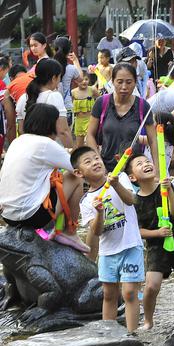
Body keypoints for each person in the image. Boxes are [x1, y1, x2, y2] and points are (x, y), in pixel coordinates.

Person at [72, 146, 143, 332]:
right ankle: (108, 334)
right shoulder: (86, 201)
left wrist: (116, 184)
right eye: (88, 161)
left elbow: (131, 200)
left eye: (96, 158)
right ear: (79, 173)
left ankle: (132, 334)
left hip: (130, 246)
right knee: (109, 294)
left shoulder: (121, 177)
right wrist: (99, 212)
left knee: (129, 293)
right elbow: (97, 231)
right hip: (107, 253)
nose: (95, 162)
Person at [0, 103, 88, 252]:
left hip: (8, 215)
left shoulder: (18, 141)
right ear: (51, 124)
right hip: (31, 216)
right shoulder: (45, 144)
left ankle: (58, 229)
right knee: (76, 179)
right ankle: (68, 231)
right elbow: (77, 169)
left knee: (56, 179)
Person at [126, 153, 174, 329]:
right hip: (155, 245)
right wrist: (157, 233)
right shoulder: (135, 201)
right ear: (132, 177)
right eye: (139, 164)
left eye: (148, 161)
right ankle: (148, 320)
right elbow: (137, 231)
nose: (146, 164)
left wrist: (169, 189)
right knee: (151, 286)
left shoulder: (165, 187)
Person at [86, 62, 157, 172]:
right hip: (106, 169)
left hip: (135, 172)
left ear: (135, 83)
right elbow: (90, 134)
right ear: (113, 81)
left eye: (129, 82)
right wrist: (98, 162)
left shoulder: (143, 106)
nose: (124, 87)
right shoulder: (101, 103)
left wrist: (157, 170)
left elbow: (153, 140)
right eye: (119, 82)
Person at [16, 59, 73, 149]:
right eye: (59, 77)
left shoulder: (23, 98)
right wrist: (72, 152)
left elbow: (21, 130)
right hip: (52, 151)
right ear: (54, 78)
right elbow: (63, 131)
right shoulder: (54, 96)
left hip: (30, 151)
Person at [53, 37, 84, 128]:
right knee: (66, 136)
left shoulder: (49, 66)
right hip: (66, 106)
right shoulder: (71, 68)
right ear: (68, 51)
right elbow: (80, 79)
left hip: (51, 105)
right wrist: (75, 61)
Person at [72, 73, 99, 147]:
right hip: (79, 121)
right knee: (79, 145)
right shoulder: (73, 92)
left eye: (86, 79)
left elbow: (100, 100)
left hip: (91, 120)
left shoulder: (92, 90)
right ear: (76, 81)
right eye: (81, 80)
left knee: (91, 143)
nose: (84, 81)